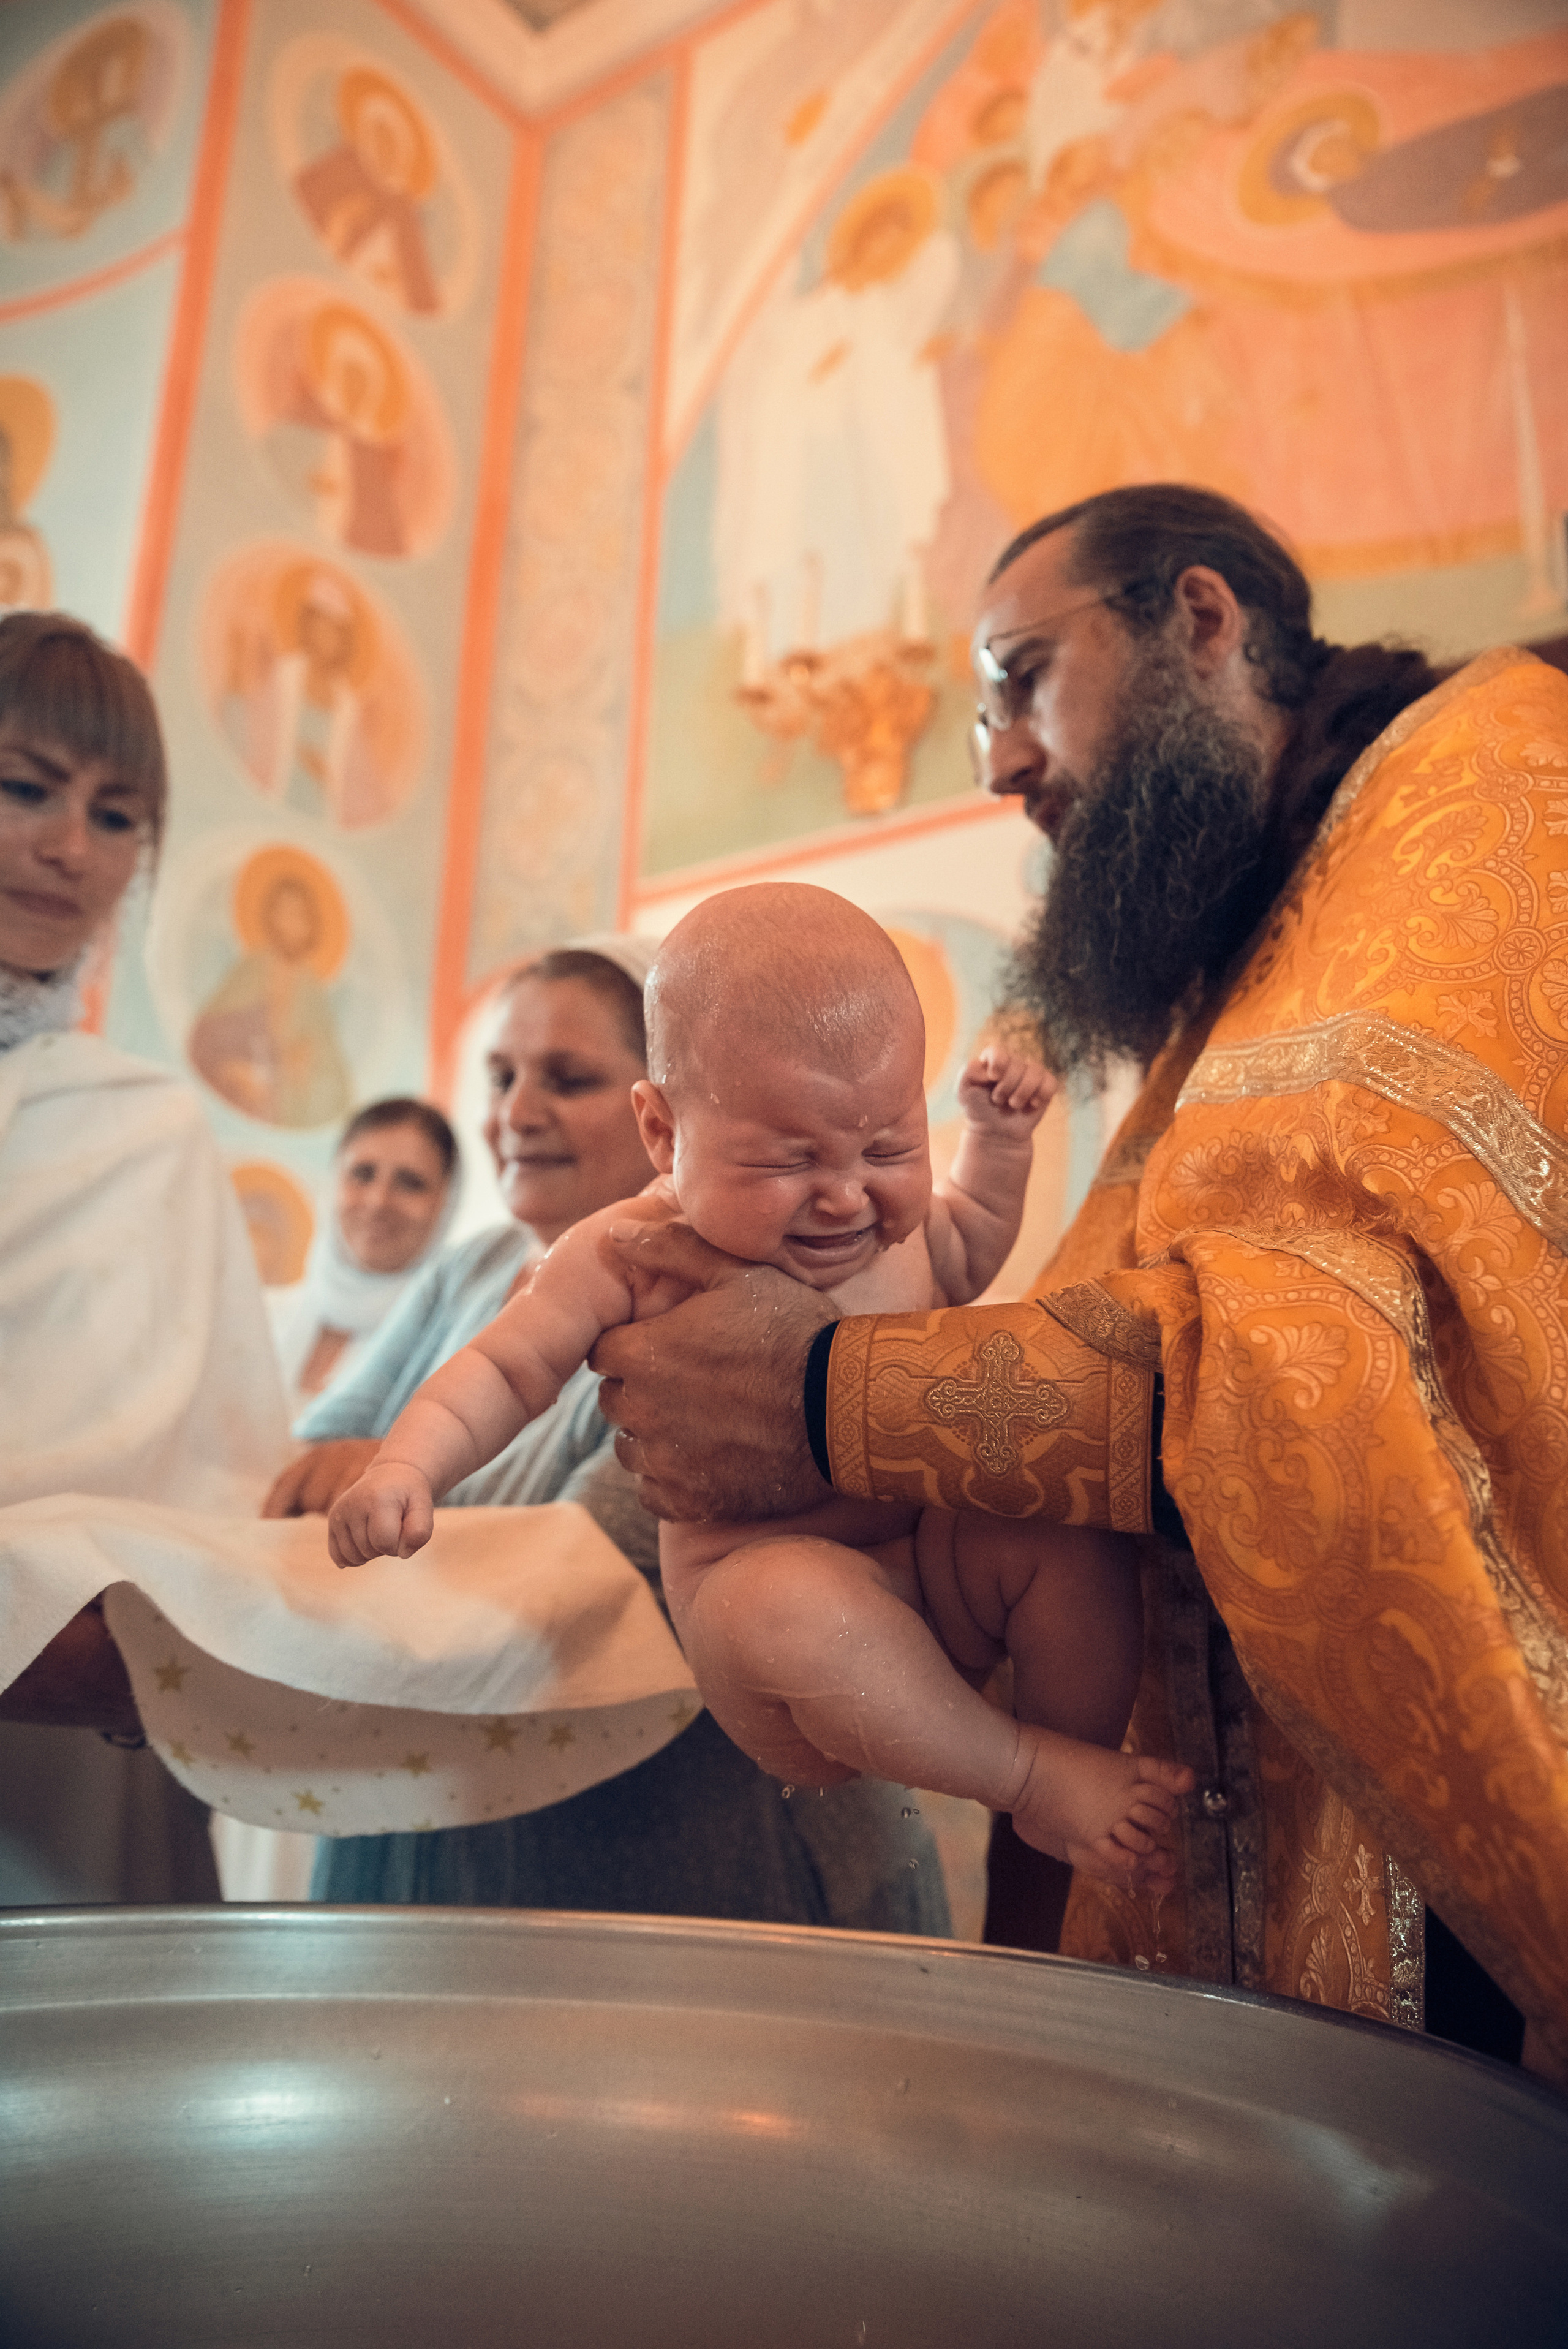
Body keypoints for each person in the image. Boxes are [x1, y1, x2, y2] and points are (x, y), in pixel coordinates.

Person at [588, 486, 1568, 2082]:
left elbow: (1401, 1344)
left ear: (1199, 618)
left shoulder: (1498, 780)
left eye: (1024, 677)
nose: (999, 761)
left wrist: (835, 1397)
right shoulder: (1252, 924)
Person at [331, 888, 1195, 1886]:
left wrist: (994, 1152)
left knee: (1058, 1519)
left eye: (888, 1146)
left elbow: (964, 1251)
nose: (844, 1192)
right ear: (664, 1133)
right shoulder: (634, 1248)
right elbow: (506, 1365)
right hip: (779, 1637)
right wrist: (408, 1462)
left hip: (935, 1578)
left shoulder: (890, 1220)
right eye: (786, 1159)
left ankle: (1061, 1758)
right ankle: (1030, 1775)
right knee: (783, 1597)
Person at [267, 940, 948, 1927]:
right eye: (501, 1075)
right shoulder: (471, 1268)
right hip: (437, 1812)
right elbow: (313, 1450)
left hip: (672, 1847)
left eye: (567, 1078)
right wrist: (359, 1471)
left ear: (668, 1115)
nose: (514, 1111)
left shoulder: (744, 1281)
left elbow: (596, 1577)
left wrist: (389, 1481)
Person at [0, 610, 289, 1902]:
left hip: (74, 1725)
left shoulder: (150, 1130)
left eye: (117, 817)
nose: (69, 848)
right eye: (25, 788)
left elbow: (216, 1484)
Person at [268, 1096, 458, 1412]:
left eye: (410, 1183)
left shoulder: (449, 1356)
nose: (378, 1201)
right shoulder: (265, 1317)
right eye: (362, 1174)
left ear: (446, 1203)